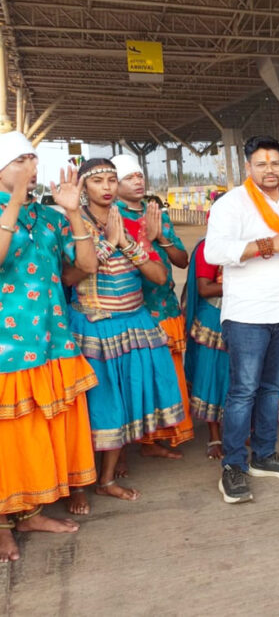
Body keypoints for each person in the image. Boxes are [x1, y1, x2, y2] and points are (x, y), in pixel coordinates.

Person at [204, 136, 279, 504]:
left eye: (275, 163)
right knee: (243, 391)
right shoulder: (231, 204)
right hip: (247, 314)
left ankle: (264, 454)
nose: (270, 170)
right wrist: (271, 244)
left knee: (272, 389)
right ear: (248, 168)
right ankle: (234, 467)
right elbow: (215, 251)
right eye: (262, 164)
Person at [66, 158, 187, 513]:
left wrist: (129, 244)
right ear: (83, 187)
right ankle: (78, 484)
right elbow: (70, 277)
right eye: (97, 180)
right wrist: (107, 244)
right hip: (94, 324)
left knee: (120, 405)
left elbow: (161, 277)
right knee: (94, 408)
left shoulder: (131, 222)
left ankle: (106, 480)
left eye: (111, 179)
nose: (106, 186)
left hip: (133, 323)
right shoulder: (70, 222)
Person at [0, 133, 98, 563]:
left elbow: (87, 266)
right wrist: (15, 202)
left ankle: (30, 512)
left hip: (53, 339)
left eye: (33, 159)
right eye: (20, 159)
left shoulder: (49, 218)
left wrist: (74, 214)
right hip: (8, 349)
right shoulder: (13, 211)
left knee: (40, 431)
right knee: (9, 437)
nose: (30, 166)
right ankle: (3, 524)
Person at [112, 154, 194, 458]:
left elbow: (182, 261)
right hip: (133, 311)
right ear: (115, 185)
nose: (138, 181)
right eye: (129, 177)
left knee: (168, 375)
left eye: (139, 175)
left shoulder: (156, 213)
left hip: (166, 307)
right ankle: (131, 446)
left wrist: (161, 237)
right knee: (137, 377)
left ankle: (159, 438)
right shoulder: (111, 216)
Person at [183, 214, 231, 460]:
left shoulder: (252, 241)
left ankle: (240, 427)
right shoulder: (207, 246)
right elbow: (204, 288)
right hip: (214, 317)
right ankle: (215, 435)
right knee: (213, 376)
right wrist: (244, 283)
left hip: (248, 314)